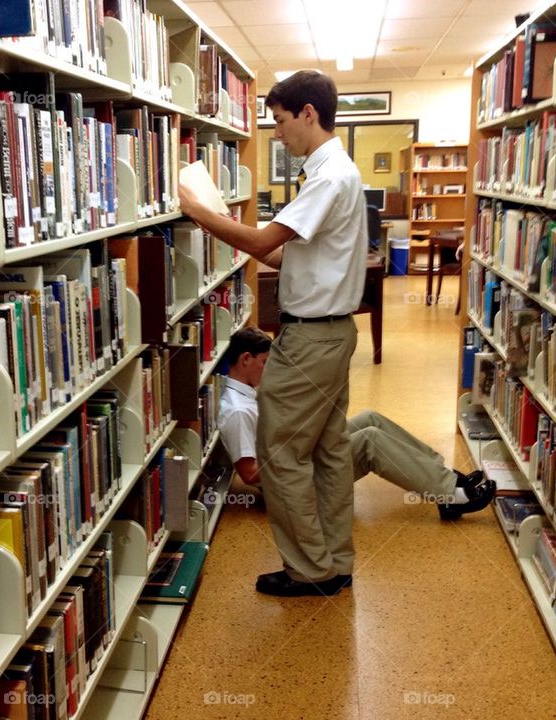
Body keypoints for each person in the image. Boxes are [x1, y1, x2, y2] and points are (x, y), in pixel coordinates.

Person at [180, 70, 366, 597]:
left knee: (279, 451)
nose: (277, 135)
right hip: (331, 333)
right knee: (328, 450)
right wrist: (230, 225)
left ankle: (311, 569)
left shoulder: (328, 176)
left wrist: (199, 212)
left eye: (281, 122)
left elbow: (263, 237)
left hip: (312, 340)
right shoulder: (335, 173)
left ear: (309, 113)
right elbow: (281, 252)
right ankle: (334, 559)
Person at [218, 328, 497, 520]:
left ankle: (445, 476)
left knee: (370, 418)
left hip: (296, 463)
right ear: (245, 359)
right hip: (291, 487)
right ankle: (451, 496)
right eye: (266, 363)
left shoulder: (245, 395)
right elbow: (250, 474)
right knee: (369, 440)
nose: (272, 371)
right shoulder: (238, 411)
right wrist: (295, 446)